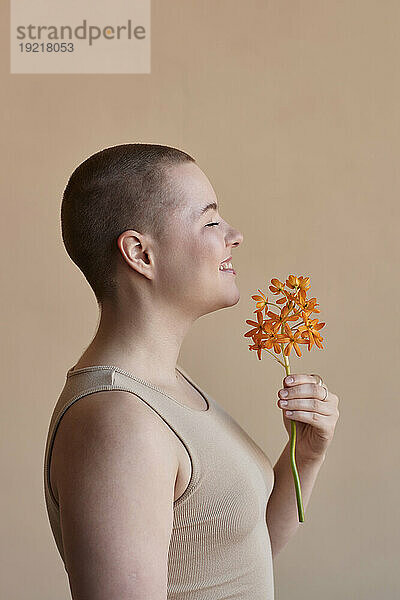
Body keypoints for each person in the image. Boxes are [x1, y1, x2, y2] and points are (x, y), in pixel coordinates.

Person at [44, 143, 335, 600]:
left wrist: (305, 455)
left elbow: (236, 556)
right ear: (140, 253)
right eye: (212, 220)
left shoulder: (165, 389)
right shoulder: (117, 423)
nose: (234, 235)